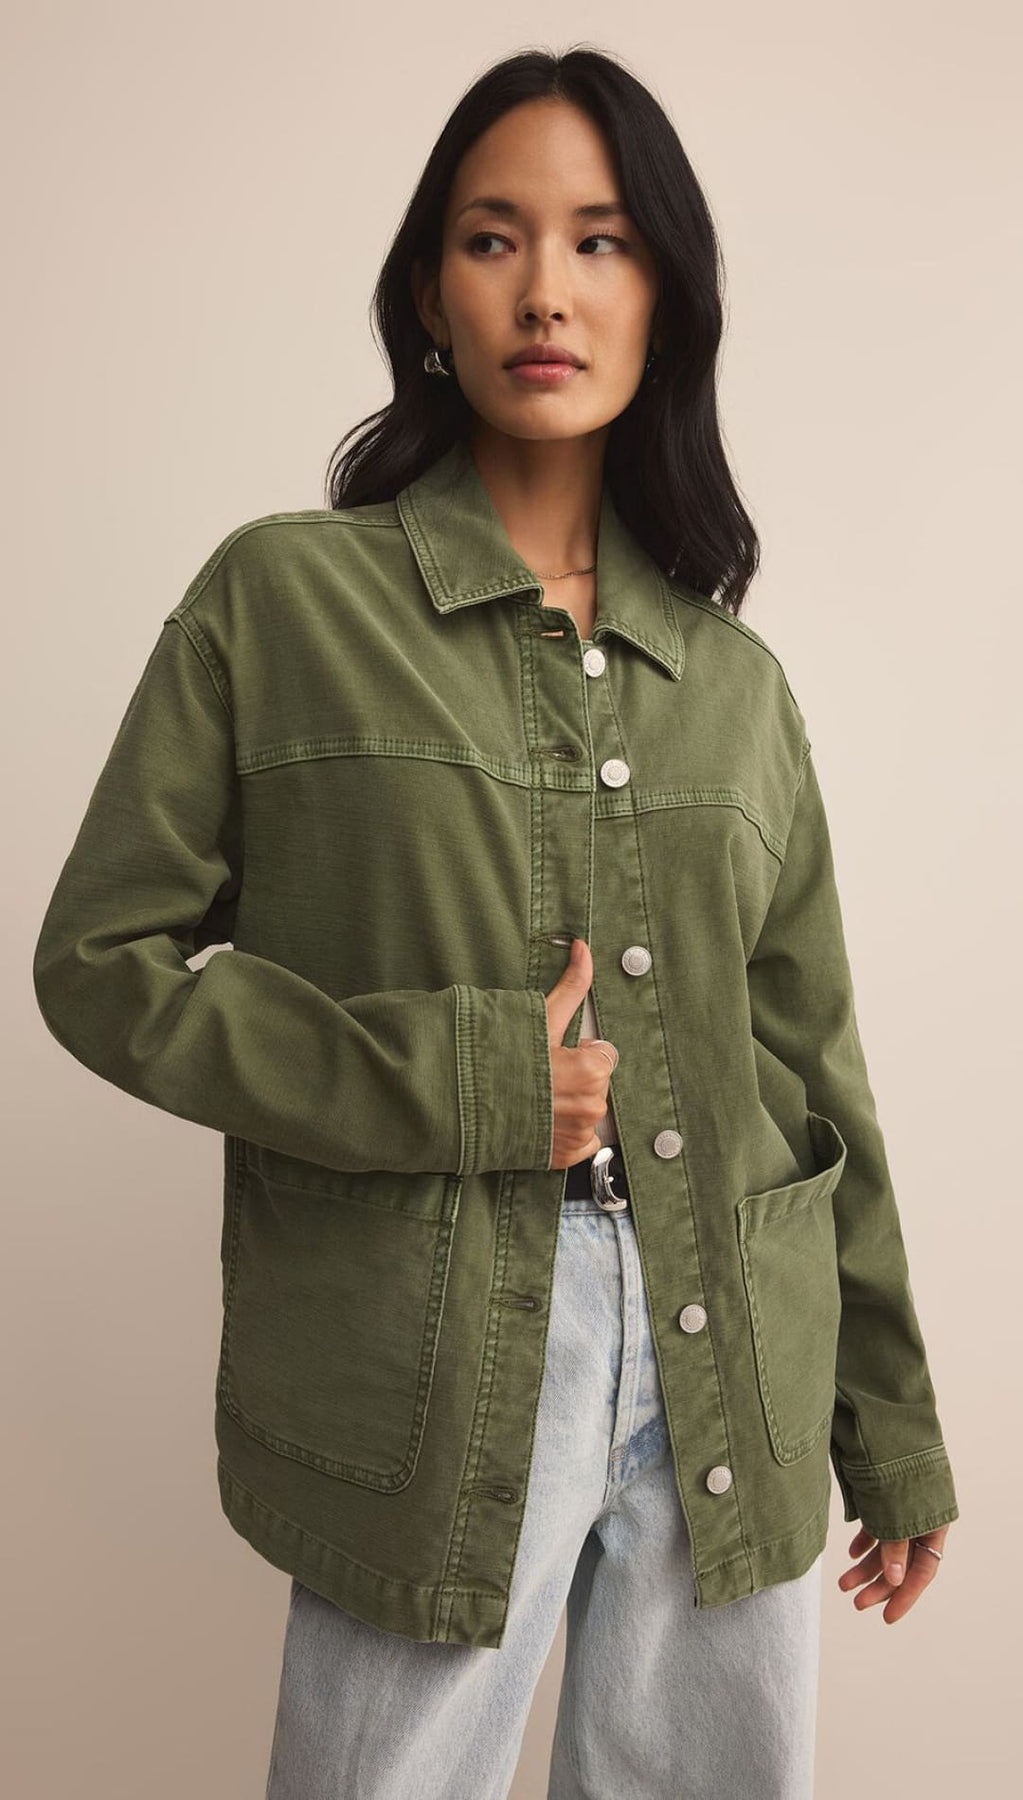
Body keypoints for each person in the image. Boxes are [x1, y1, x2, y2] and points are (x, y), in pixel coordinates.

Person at [32, 44, 959, 1800]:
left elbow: (813, 1066)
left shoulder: (739, 685)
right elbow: (99, 964)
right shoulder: (284, 602)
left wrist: (892, 1427)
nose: (547, 289)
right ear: (427, 297)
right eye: (492, 237)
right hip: (427, 1350)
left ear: (666, 301)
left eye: (602, 241)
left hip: (738, 1349)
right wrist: (454, 1080)